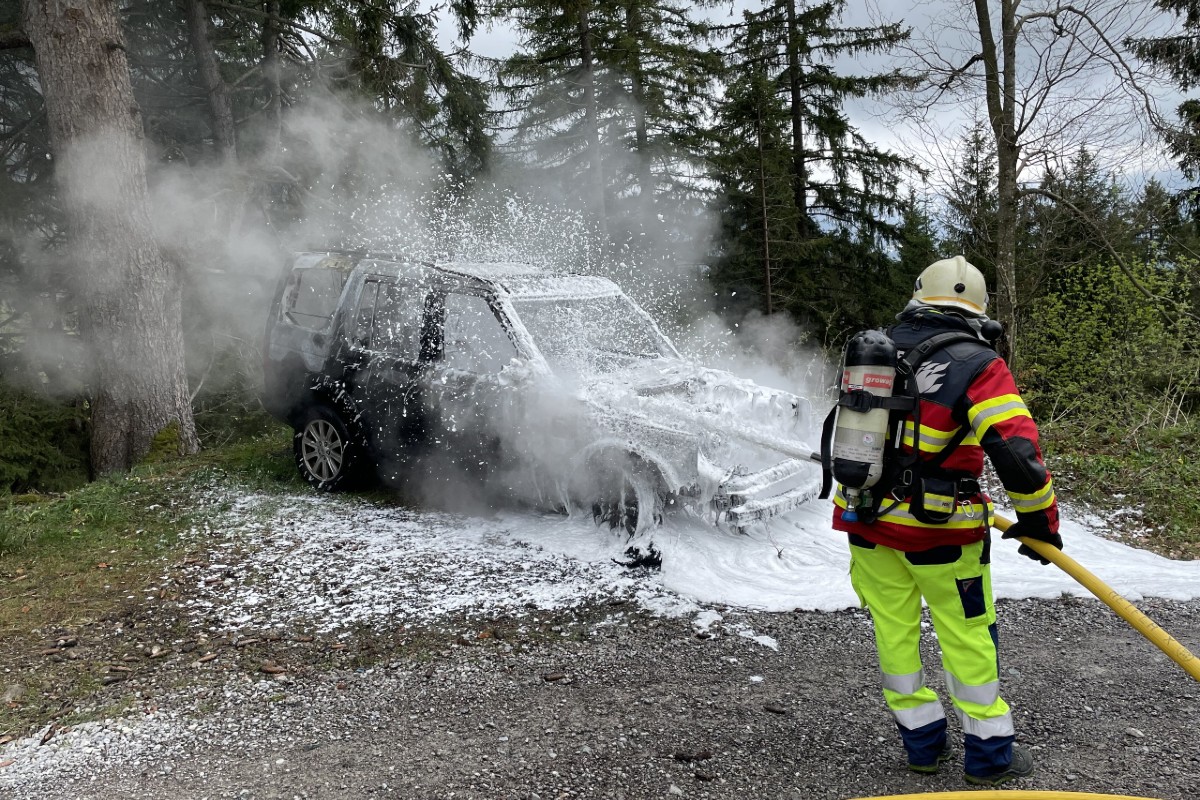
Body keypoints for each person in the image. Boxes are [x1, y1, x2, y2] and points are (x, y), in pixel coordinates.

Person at [832, 255, 1062, 786]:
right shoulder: (979, 363)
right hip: (940, 535)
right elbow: (1017, 453)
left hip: (865, 523)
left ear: (919, 297)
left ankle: (922, 746)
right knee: (966, 637)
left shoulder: (876, 351)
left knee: (894, 635)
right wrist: (1039, 522)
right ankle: (989, 758)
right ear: (977, 309)